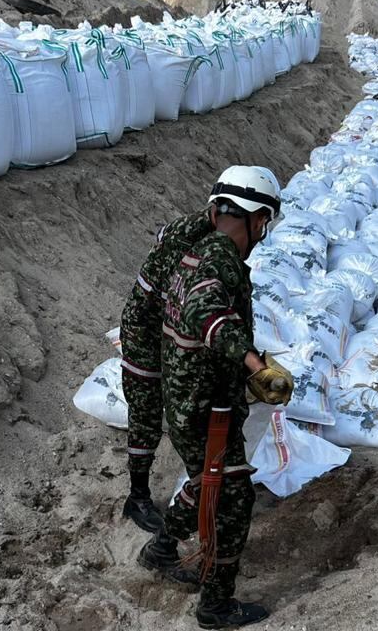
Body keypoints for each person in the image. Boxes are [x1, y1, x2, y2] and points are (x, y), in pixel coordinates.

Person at [137, 166, 294, 629]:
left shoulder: (197, 249)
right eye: (264, 221)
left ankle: (161, 548)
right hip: (205, 407)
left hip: (189, 399)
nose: (263, 230)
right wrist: (257, 368)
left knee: (210, 481)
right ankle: (216, 606)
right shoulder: (218, 260)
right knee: (233, 499)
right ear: (257, 219)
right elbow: (210, 316)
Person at [120, 204, 216, 534]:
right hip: (146, 331)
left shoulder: (215, 236)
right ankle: (137, 497)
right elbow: (184, 307)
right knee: (147, 411)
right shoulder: (186, 239)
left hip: (170, 327)